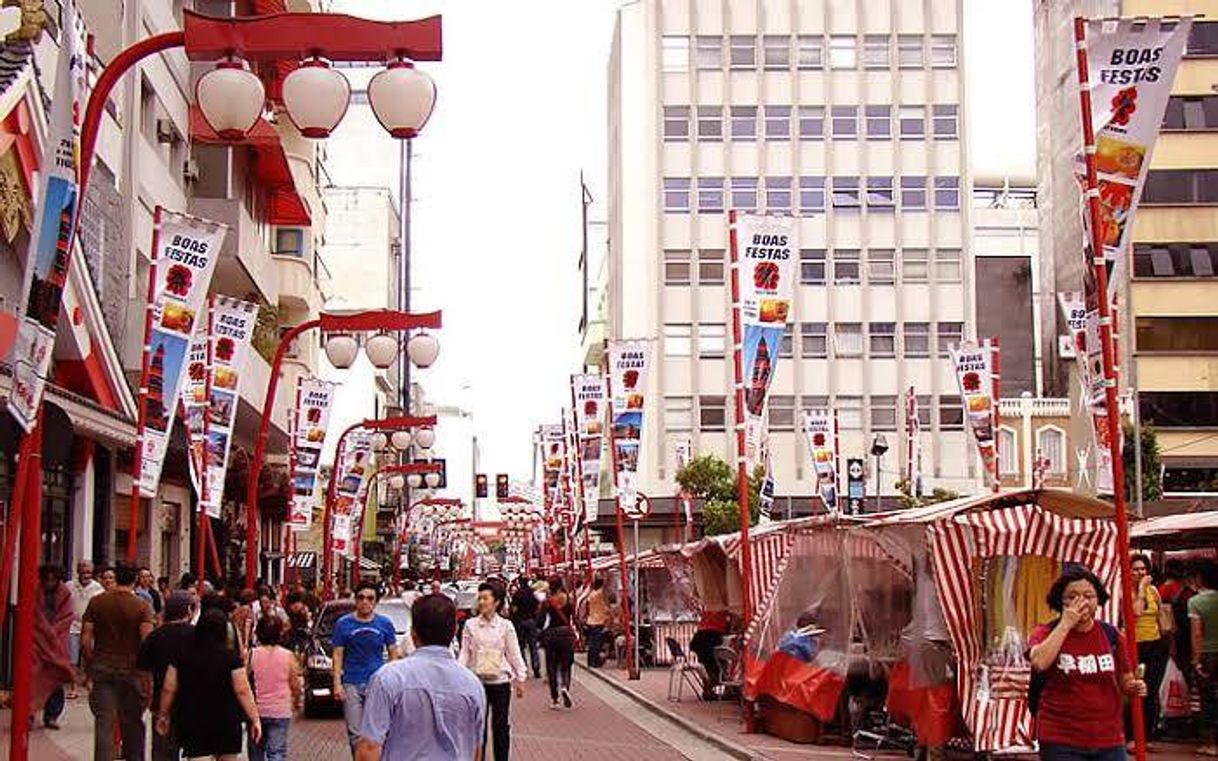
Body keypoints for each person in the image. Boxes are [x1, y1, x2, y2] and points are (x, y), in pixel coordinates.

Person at [1027, 567, 1147, 761]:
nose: (1081, 602)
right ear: (1060, 601)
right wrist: (1065, 624)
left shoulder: (1112, 635)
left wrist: (1133, 686)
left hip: (1109, 737)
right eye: (1072, 596)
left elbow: (1124, 676)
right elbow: (1039, 662)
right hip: (1061, 738)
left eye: (1088, 596)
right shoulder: (1046, 632)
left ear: (1098, 600)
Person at [355, 593, 486, 761]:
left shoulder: (388, 678)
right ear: (455, 630)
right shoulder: (473, 685)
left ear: (413, 633)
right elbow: (475, 750)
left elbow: (369, 748)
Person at [156, 608, 262, 760]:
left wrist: (163, 714)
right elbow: (242, 690)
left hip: (193, 719)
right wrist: (254, 718)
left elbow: (168, 688)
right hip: (227, 722)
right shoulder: (231, 657)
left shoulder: (182, 655)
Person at [81, 563, 155, 761]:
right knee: (132, 721)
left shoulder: (97, 602)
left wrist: (90, 663)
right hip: (131, 669)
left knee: (104, 722)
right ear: (135, 580)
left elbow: (86, 639)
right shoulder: (142, 606)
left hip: (102, 666)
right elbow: (146, 641)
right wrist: (147, 675)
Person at [459, 582, 526, 760]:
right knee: (478, 727)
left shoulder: (506, 626)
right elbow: (465, 652)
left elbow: (514, 653)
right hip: (476, 682)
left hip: (500, 682)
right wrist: (459, 674)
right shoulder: (470, 625)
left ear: (496, 602)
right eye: (479, 598)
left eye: (485, 598)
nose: (481, 602)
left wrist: (521, 677)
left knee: (501, 726)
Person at [332, 581, 400, 755]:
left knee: (376, 731)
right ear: (355, 600)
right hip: (351, 683)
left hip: (377, 684)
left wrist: (392, 680)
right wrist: (337, 684)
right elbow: (338, 654)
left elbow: (393, 652)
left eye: (370, 598)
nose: (365, 602)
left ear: (376, 602)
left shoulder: (385, 624)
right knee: (355, 732)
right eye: (361, 597)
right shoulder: (343, 624)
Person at [138, 591, 197, 761]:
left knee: (163, 751)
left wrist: (147, 696)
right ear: (188, 610)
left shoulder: (155, 637)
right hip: (192, 702)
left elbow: (143, 670)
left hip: (161, 702)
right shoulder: (198, 636)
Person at [247, 616, 302, 761]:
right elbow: (295, 684)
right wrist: (297, 701)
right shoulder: (288, 656)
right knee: (277, 752)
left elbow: (246, 682)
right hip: (280, 710)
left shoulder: (251, 655)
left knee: (256, 752)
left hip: (256, 710)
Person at [1128, 554, 1168, 745]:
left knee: (1151, 690)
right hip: (1135, 645)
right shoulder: (1125, 591)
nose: (1140, 573)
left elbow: (1161, 615)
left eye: (1143, 569)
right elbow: (1135, 612)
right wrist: (1142, 589)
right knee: (1135, 689)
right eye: (1136, 569)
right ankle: (1132, 735)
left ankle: (1147, 736)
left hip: (1155, 644)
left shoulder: (1154, 591)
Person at [33, 565, 75, 730]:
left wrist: (52, 632)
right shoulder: (36, 590)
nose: (50, 582)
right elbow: (33, 613)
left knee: (55, 677)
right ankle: (29, 711)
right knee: (32, 676)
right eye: (47, 579)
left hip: (56, 640)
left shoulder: (64, 593)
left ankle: (52, 715)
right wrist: (44, 630)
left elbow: (67, 615)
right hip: (36, 639)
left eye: (53, 579)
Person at [1189, 560, 1218, 757]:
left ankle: (1212, 743)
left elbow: (1197, 633)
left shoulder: (1195, 602)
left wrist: (1196, 659)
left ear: (1199, 578)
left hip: (1207, 655)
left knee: (1207, 698)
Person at [537, 577, 577, 709]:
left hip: (552, 635)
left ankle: (555, 699)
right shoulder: (569, 599)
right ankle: (565, 686)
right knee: (566, 664)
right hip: (566, 634)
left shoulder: (547, 602)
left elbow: (540, 620)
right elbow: (574, 618)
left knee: (552, 666)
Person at [67, 560, 103, 699]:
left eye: (88, 572)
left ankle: (89, 680)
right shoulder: (69, 586)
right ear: (78, 572)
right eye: (83, 572)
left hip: (91, 627)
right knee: (72, 659)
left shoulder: (98, 589)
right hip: (72, 626)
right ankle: (73, 686)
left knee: (89, 656)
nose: (85, 575)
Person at [690, 607, 731, 698]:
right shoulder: (725, 611)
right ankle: (723, 687)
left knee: (706, 665)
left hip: (699, 638)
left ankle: (708, 689)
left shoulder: (710, 607)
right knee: (717, 665)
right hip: (712, 636)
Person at [510, 575, 542, 678]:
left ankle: (524, 667)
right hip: (531, 621)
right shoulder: (533, 593)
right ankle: (536, 667)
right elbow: (538, 607)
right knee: (533, 646)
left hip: (520, 621)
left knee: (521, 646)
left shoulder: (517, 594)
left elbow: (514, 609)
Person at [582, 577, 610, 668]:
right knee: (597, 643)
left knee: (591, 643)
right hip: (598, 621)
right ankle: (595, 662)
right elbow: (605, 607)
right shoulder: (600, 594)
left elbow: (586, 605)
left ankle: (590, 661)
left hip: (591, 621)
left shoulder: (591, 594)